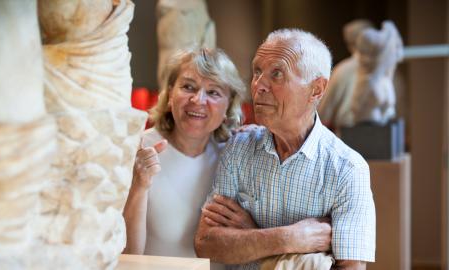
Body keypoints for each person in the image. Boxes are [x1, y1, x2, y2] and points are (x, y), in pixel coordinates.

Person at [195, 29, 376, 269]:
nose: (258, 85)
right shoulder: (239, 147)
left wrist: (251, 235)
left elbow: (351, 268)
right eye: (257, 71)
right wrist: (292, 238)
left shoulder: (348, 169)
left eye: (277, 74)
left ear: (317, 89)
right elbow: (207, 243)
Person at [122, 47, 252, 270]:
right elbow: (127, 258)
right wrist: (139, 186)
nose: (198, 100)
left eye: (213, 92)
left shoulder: (234, 158)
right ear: (170, 94)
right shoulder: (138, 148)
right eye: (188, 87)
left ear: (229, 105)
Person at [317, 19, 373, 128]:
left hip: (348, 134)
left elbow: (323, 113)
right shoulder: (389, 69)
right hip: (384, 134)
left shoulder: (342, 70)